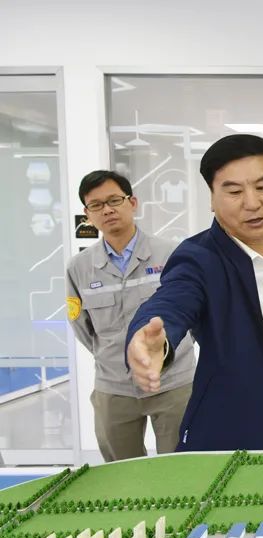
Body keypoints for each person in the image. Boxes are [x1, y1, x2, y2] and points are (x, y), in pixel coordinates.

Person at [126, 134, 263, 451]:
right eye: (234, 191)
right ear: (212, 199)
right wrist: (151, 340)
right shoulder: (199, 258)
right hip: (250, 432)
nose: (252, 203)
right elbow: (172, 301)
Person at [66, 170, 194, 461]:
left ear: (132, 203)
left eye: (114, 200)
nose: (107, 210)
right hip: (114, 387)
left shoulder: (172, 254)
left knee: (183, 467)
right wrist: (112, 354)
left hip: (174, 384)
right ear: (87, 214)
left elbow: (191, 315)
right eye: (96, 205)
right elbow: (82, 327)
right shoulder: (79, 268)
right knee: (120, 473)